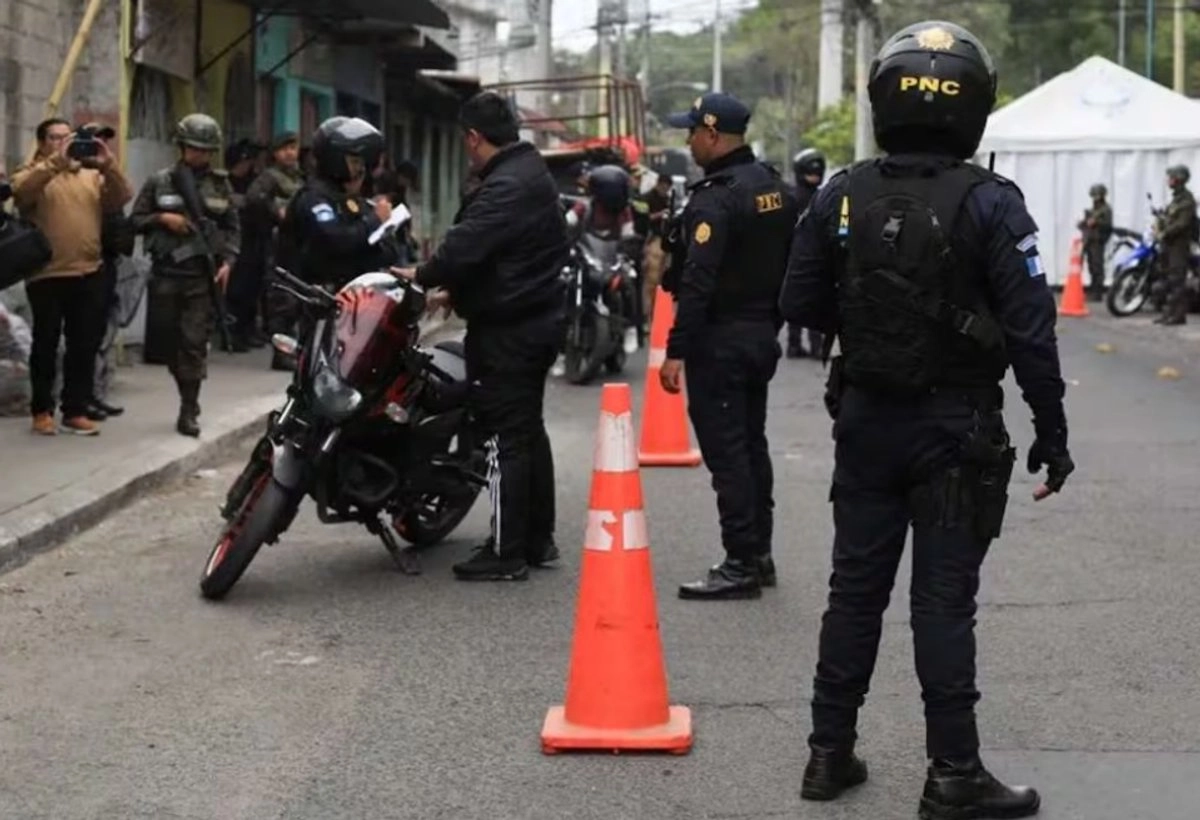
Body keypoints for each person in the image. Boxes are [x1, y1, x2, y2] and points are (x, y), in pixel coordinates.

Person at [782, 22, 1074, 819]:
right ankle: (953, 775)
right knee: (943, 604)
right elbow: (1032, 333)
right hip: (957, 430)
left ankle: (827, 754)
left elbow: (798, 303)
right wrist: (1053, 432)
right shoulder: (991, 201)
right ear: (974, 106)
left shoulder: (840, 193)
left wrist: (868, 315)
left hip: (866, 421)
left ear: (884, 98)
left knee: (853, 594)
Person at [395, 91, 569, 582]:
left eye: (465, 141)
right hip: (534, 319)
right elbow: (506, 256)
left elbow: (463, 248)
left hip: (510, 331)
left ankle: (505, 549)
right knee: (527, 432)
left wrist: (423, 275)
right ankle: (537, 539)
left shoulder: (505, 186)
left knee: (500, 437)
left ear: (474, 137)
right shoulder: (530, 172)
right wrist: (453, 294)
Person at [657, 92, 799, 600]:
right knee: (751, 445)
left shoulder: (716, 198)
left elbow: (697, 279)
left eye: (692, 131)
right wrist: (772, 322)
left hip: (719, 342)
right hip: (760, 336)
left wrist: (676, 349)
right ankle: (758, 554)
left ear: (713, 134)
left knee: (729, 454)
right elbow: (794, 268)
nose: (689, 140)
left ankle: (740, 562)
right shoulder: (776, 190)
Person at [11, 117, 134, 436]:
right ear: (42, 143)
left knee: (83, 346)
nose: (63, 143)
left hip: (89, 271)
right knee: (46, 345)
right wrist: (55, 162)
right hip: (46, 274)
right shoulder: (33, 172)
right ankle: (41, 410)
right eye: (55, 138)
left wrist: (109, 165)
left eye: (68, 138)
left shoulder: (90, 175)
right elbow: (20, 192)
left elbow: (121, 197)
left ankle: (75, 410)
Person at [131, 113, 240, 438]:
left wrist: (228, 261)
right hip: (166, 274)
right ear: (181, 147)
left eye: (206, 150)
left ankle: (188, 407)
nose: (200, 155)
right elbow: (135, 220)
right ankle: (185, 389)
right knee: (167, 345)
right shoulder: (160, 181)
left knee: (193, 343)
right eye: (194, 148)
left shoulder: (221, 185)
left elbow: (233, 228)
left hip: (200, 278)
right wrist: (164, 218)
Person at [275, 117, 396, 295]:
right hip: (304, 303)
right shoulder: (314, 197)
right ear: (334, 159)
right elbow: (335, 239)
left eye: (362, 163)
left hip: (346, 299)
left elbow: (387, 252)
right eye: (354, 162)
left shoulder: (351, 199)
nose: (360, 170)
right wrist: (375, 220)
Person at [242, 131, 304, 360]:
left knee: (295, 302)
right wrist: (276, 212)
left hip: (294, 245)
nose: (290, 153)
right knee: (281, 301)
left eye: (293, 148)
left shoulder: (298, 177)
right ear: (275, 153)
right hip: (276, 246)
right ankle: (280, 355)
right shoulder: (270, 177)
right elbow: (253, 198)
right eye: (284, 148)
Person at [88, 122, 135, 421]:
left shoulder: (109, 174)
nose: (99, 146)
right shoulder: (72, 173)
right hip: (83, 264)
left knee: (104, 334)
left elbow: (124, 196)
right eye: (93, 140)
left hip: (108, 262)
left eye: (105, 140)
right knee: (85, 337)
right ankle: (80, 396)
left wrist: (108, 165)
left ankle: (96, 394)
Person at [787, 148, 828, 358]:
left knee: (799, 299)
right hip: (811, 256)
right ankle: (812, 346)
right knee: (815, 300)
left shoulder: (791, 196)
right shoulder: (823, 198)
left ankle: (798, 345)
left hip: (796, 256)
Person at [1155, 165, 1196, 326]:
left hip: (1178, 246)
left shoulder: (1187, 200)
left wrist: (1165, 232)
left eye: (1171, 177)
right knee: (1167, 279)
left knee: (1177, 280)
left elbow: (1182, 224)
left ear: (1179, 179)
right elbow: (1169, 218)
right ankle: (1168, 313)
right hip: (1168, 245)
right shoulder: (1176, 199)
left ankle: (1178, 316)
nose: (1168, 180)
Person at [641, 172, 674, 321]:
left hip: (665, 241)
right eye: (664, 187)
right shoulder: (648, 198)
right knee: (651, 279)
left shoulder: (668, 199)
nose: (665, 190)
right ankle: (648, 315)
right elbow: (644, 218)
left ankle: (656, 314)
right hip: (653, 240)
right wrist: (660, 214)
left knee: (662, 280)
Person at [1078, 183, 1112, 302]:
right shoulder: (1094, 209)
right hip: (1090, 240)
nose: (1094, 198)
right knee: (1091, 266)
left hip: (1098, 241)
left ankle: (1098, 292)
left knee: (1097, 267)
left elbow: (1108, 225)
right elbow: (1087, 223)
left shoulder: (1106, 209)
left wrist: (1096, 222)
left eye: (1096, 195)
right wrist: (1083, 223)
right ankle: (1093, 290)